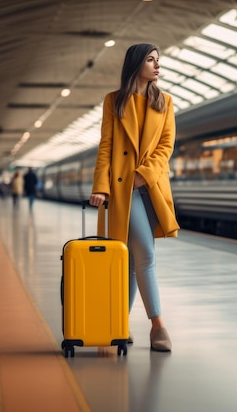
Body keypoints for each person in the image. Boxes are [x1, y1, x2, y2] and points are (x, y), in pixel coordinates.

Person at [89, 43, 180, 352]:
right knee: (136, 257)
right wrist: (100, 186)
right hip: (120, 190)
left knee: (137, 258)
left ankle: (135, 325)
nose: (157, 65)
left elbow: (166, 147)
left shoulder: (165, 102)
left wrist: (145, 172)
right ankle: (144, 326)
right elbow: (106, 146)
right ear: (135, 64)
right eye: (150, 60)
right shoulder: (114, 102)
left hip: (150, 189)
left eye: (158, 60)